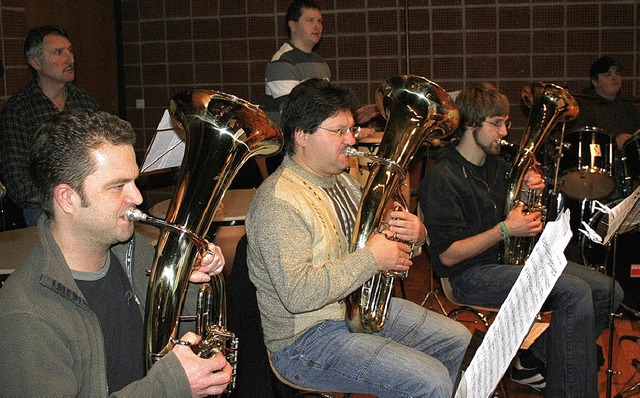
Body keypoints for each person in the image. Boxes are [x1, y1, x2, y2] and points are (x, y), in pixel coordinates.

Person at [246, 78, 471, 397]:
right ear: (302, 135)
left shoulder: (345, 184)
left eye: (351, 129)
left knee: (456, 338)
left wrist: (415, 235)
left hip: (354, 310)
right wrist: (371, 258)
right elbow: (297, 294)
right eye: (339, 131)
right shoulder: (278, 202)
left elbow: (386, 249)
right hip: (304, 341)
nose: (351, 139)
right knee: (430, 379)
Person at [0, 109, 232, 396]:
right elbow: (167, 381)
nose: (137, 197)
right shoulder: (26, 313)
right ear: (67, 198)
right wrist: (172, 385)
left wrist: (193, 283)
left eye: (133, 181)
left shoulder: (134, 253)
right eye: (117, 186)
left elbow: (178, 335)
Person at [419, 82, 624, 397]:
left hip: (508, 263)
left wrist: (530, 194)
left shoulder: (500, 167)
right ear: (470, 125)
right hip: (469, 275)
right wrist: (505, 229)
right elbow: (447, 256)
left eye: (505, 123)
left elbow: (525, 222)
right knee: (574, 293)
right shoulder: (442, 178)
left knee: (608, 291)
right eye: (496, 124)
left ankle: (532, 358)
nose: (503, 132)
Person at [0, 25, 99, 227]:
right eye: (58, 52)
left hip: (89, 198)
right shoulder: (18, 109)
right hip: (44, 206)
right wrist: (69, 197)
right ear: (36, 62)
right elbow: (17, 183)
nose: (70, 58)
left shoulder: (84, 101)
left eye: (70, 50)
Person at [264, 0, 379, 173]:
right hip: (289, 152)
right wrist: (351, 131)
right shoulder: (283, 62)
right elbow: (296, 115)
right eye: (310, 20)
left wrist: (352, 118)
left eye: (319, 21)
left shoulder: (320, 62)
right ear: (292, 25)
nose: (317, 26)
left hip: (313, 148)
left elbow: (324, 108)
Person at [572, 55, 640, 151]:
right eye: (608, 75)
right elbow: (581, 142)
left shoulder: (628, 107)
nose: (614, 78)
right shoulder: (584, 108)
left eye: (617, 73)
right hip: (600, 162)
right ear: (595, 81)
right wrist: (614, 143)